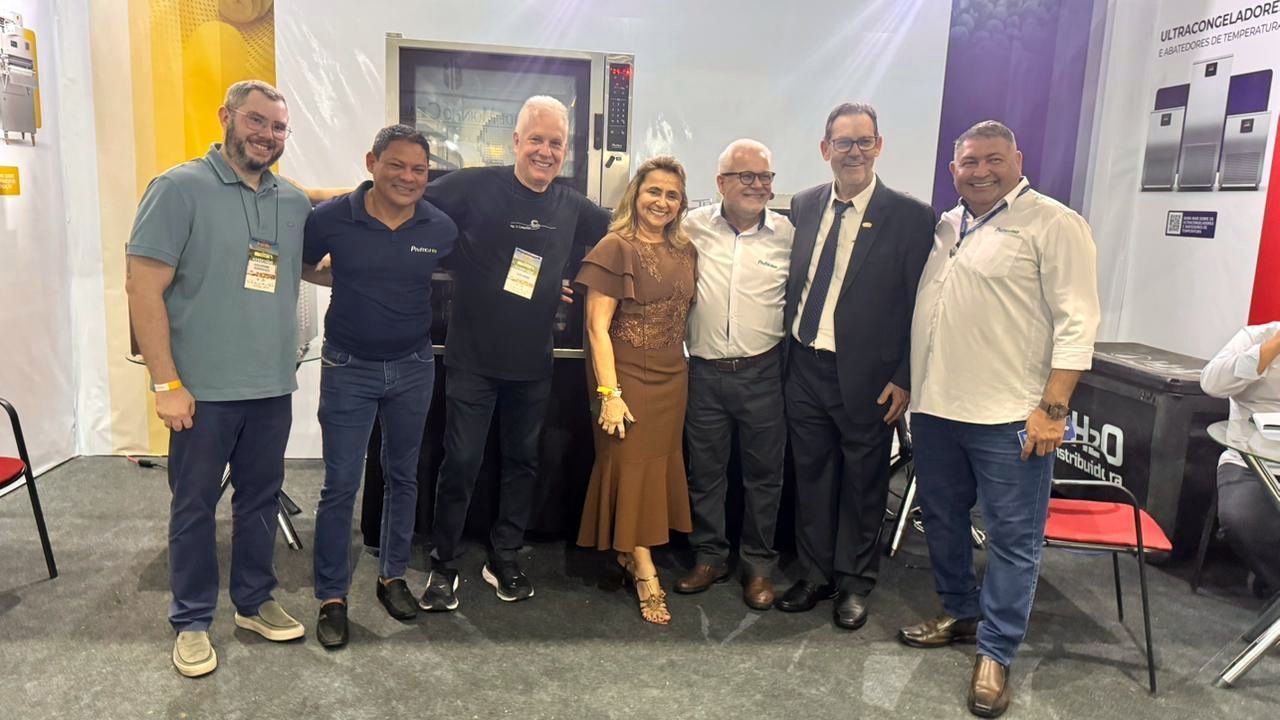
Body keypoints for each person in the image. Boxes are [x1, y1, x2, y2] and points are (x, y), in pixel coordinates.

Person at [900, 120, 1099, 718]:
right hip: (936, 410)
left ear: (1017, 158)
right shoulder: (947, 224)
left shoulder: (1055, 224)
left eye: (992, 160)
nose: (980, 171)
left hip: (1010, 417)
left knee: (1013, 540)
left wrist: (1051, 409)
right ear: (953, 169)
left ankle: (997, 650)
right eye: (968, 163)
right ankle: (960, 610)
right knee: (942, 518)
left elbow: (1078, 323)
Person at [126, 80, 312, 677]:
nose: (268, 136)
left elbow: (314, 261)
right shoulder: (178, 188)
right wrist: (165, 384)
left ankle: (254, 602)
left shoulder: (293, 200)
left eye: (279, 127)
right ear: (226, 117)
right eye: (257, 122)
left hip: (271, 388)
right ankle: (191, 620)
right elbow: (142, 289)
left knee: (259, 501)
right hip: (201, 393)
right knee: (194, 506)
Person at [419, 96, 611, 611]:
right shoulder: (475, 184)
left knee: (523, 461)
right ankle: (443, 563)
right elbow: (407, 198)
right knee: (460, 461)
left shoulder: (573, 206)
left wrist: (577, 278)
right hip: (472, 358)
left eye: (555, 143)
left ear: (565, 150)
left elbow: (623, 236)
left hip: (533, 363)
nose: (545, 151)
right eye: (536, 140)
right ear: (516, 142)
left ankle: (504, 555)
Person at [776, 103, 935, 629]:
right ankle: (815, 575)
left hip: (869, 380)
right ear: (825, 150)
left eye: (864, 141)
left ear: (879, 146)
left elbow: (921, 304)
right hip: (803, 368)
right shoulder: (802, 205)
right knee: (812, 478)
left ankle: (855, 583)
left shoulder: (911, 217)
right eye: (843, 143)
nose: (854, 152)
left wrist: (906, 377)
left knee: (864, 483)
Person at [301, 125, 457, 648]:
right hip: (349, 366)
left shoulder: (439, 226)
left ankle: (393, 577)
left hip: (413, 364)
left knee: (403, 475)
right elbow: (299, 260)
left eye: (419, 170)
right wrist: (332, 277)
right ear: (372, 162)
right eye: (397, 165)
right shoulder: (332, 219)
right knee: (340, 485)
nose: (408, 177)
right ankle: (331, 596)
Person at [576, 155, 697, 625]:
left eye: (671, 194)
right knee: (629, 465)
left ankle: (629, 551)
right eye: (654, 191)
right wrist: (610, 393)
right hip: (624, 374)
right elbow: (595, 327)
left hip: (673, 375)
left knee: (655, 467)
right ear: (635, 195)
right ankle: (644, 567)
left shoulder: (686, 249)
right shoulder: (615, 247)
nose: (662, 202)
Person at [677, 139, 794, 610]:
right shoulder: (690, 228)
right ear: (721, 182)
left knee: (765, 476)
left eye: (765, 177)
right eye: (746, 176)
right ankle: (709, 557)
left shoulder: (788, 234)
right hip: (703, 372)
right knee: (705, 473)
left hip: (763, 373)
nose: (758, 185)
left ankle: (759, 566)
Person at [1199, 322, 1280, 599]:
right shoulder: (1256, 337)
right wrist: (1271, 349)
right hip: (1249, 463)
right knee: (1242, 517)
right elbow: (1211, 382)